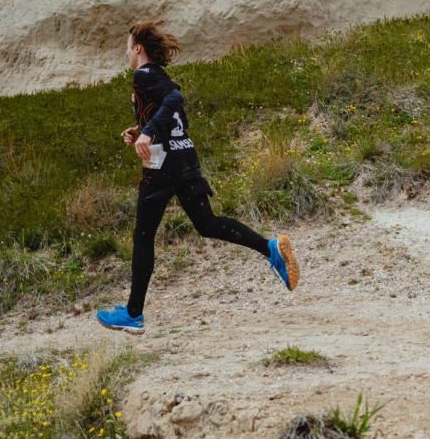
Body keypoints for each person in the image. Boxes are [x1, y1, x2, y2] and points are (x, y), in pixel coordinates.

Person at [96, 20, 300, 335]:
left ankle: (133, 314)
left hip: (163, 167)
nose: (126, 52)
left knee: (143, 236)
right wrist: (141, 130)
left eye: (127, 46)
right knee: (207, 224)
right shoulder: (158, 76)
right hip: (184, 156)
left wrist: (148, 133)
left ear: (137, 48)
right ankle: (269, 248)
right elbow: (175, 116)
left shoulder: (143, 74)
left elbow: (176, 99)